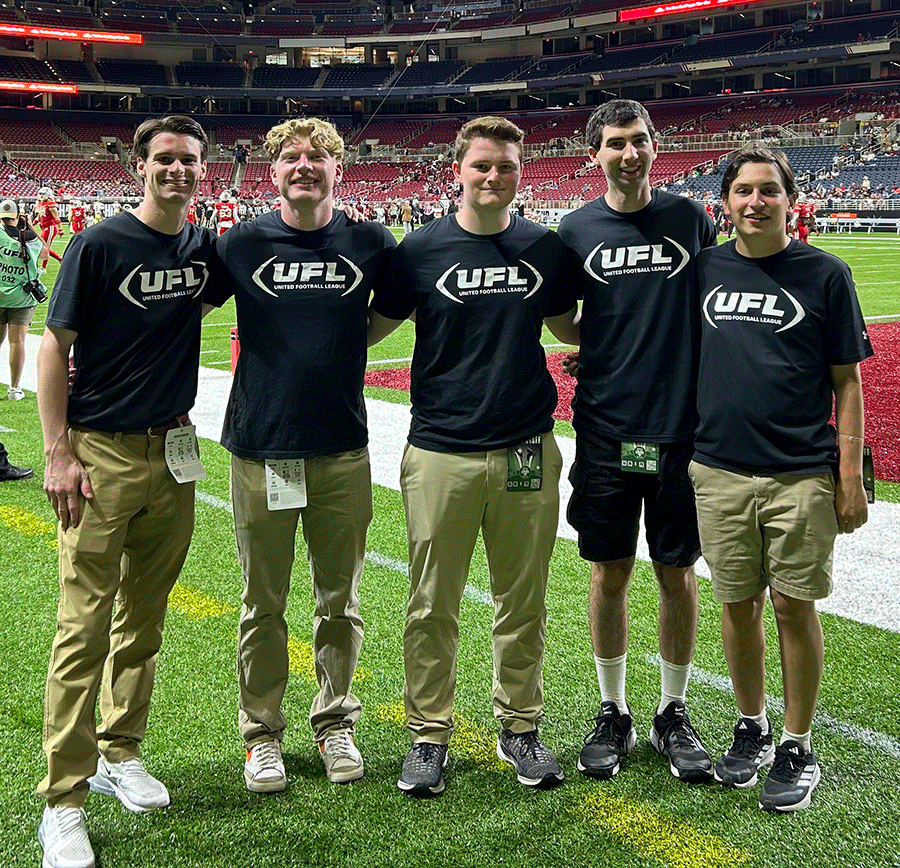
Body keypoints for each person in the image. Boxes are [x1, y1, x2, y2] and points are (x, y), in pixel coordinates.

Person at [368, 116, 579, 797]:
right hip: (440, 450)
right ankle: (428, 735)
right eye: (482, 165)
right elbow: (367, 329)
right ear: (457, 169)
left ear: (522, 173)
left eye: (506, 167)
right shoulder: (419, 249)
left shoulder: (543, 249)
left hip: (525, 446)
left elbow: (573, 323)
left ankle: (519, 726)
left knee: (523, 601)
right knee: (432, 602)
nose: (493, 177)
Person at [36, 115, 215, 868]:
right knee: (83, 628)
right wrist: (57, 452)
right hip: (102, 453)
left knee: (143, 621)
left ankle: (120, 751)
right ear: (139, 164)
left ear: (205, 170)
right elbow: (55, 345)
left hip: (173, 450)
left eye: (190, 161)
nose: (177, 171)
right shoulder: (98, 242)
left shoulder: (203, 246)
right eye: (164, 159)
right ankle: (64, 800)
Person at [205, 117, 396, 793]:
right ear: (272, 171)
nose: (305, 164)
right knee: (264, 602)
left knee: (339, 601)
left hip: (342, 446)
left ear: (339, 168)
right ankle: (261, 735)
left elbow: (393, 311)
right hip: (262, 448)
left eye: (318, 155)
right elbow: (182, 309)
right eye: (291, 157)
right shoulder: (240, 241)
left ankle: (334, 718)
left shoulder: (371, 241)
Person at [691, 145, 872, 812]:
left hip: (800, 472)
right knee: (737, 606)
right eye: (743, 190)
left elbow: (847, 383)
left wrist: (847, 474)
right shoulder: (705, 269)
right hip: (717, 469)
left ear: (789, 199)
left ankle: (797, 741)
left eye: (768, 190)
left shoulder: (825, 273)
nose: (755, 201)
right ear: (727, 201)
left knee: (795, 606)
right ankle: (752, 726)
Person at [557, 99, 717, 783]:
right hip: (605, 426)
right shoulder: (575, 228)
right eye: (615, 143)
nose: (629, 153)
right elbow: (563, 321)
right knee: (609, 570)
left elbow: (716, 305)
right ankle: (613, 708)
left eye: (639, 141)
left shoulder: (689, 218)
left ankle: (672, 711)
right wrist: (603, 346)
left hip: (681, 428)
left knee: (676, 573)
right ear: (594, 154)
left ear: (656, 146)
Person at [0, 198, 46, 401]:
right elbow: (45, 251)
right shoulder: (31, 239)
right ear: (18, 216)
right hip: (23, 298)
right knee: (17, 342)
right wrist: (29, 226)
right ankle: (14, 388)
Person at [35, 186, 64, 264]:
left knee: (45, 248)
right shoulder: (42, 203)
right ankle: (60, 259)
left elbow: (56, 218)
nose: (41, 196)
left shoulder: (51, 205)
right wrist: (33, 222)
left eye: (43, 194)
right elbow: (40, 215)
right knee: (41, 246)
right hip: (44, 227)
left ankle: (44, 267)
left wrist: (60, 229)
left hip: (50, 227)